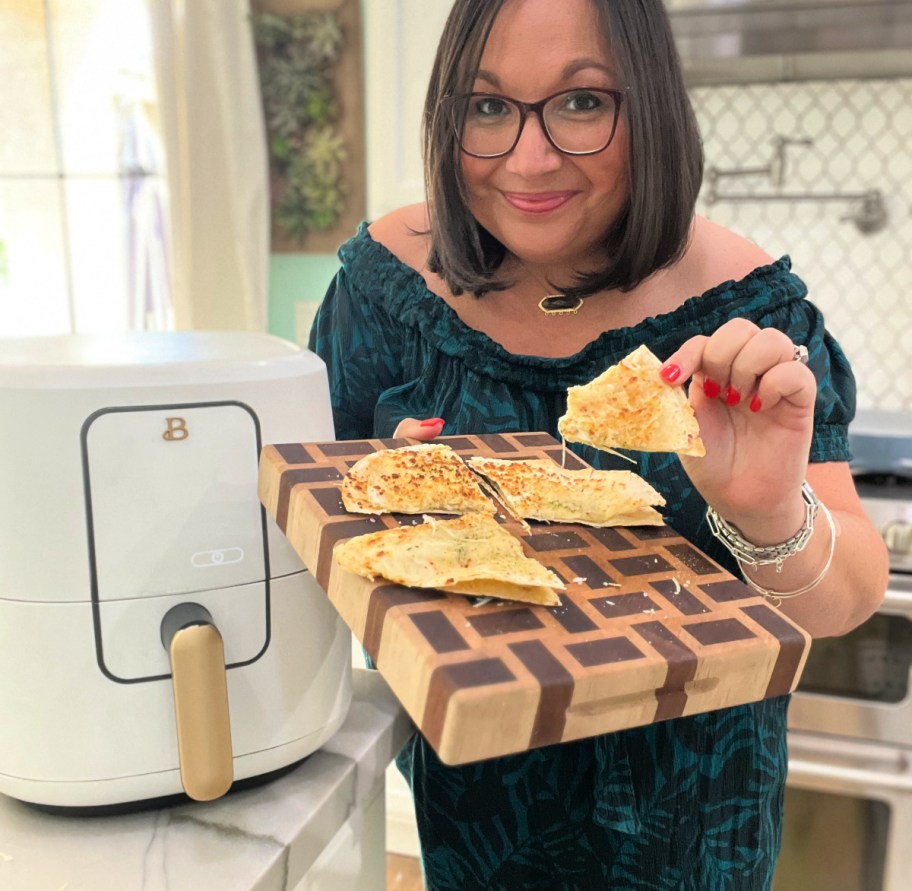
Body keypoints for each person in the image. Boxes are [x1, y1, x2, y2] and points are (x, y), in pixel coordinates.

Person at [309, 0, 888, 887]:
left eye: (581, 104)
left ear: (648, 106)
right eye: (487, 106)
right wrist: (395, 497)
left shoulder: (748, 309)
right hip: (473, 815)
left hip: (703, 829)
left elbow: (845, 599)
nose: (528, 158)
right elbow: (316, 533)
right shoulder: (387, 297)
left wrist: (768, 512)